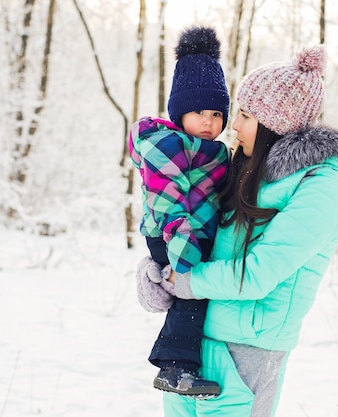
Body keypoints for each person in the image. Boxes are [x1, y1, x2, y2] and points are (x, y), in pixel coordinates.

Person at [136, 45, 338, 416]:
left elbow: (260, 273)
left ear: (274, 122)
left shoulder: (322, 185)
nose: (232, 125)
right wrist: (156, 271)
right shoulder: (242, 166)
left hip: (246, 355)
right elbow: (198, 231)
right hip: (192, 346)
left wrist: (182, 282)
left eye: (244, 115)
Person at [129, 26, 231, 399]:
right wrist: (184, 255)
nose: (209, 121)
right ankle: (175, 369)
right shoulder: (165, 143)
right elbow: (167, 200)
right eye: (199, 112)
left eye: (217, 113)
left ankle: (183, 363)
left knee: (197, 296)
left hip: (193, 232)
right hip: (171, 233)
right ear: (179, 111)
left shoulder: (213, 150)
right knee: (192, 294)